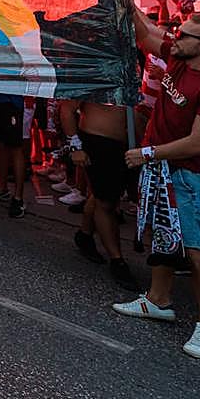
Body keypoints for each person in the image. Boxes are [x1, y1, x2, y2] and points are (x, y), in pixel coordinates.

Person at [112, 7, 200, 360]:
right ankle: (158, 299)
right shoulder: (182, 59)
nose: (175, 37)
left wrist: (148, 153)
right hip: (162, 168)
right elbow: (146, 33)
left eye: (185, 34)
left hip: (191, 175)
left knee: (198, 250)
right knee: (163, 235)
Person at [59, 99, 138, 291]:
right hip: (99, 140)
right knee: (106, 202)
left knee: (106, 194)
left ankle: (85, 234)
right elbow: (67, 108)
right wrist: (75, 146)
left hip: (129, 143)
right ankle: (117, 260)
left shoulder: (132, 70)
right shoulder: (96, 68)